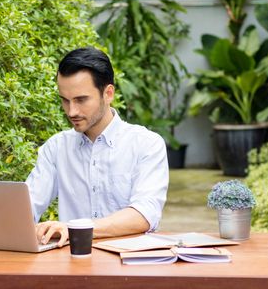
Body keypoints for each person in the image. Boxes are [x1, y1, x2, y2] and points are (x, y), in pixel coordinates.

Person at [25, 47, 169, 247]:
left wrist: (74, 228)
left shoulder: (146, 144)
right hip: (74, 263)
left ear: (108, 93)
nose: (72, 111)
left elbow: (144, 214)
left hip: (130, 266)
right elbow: (27, 207)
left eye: (81, 100)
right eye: (65, 101)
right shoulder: (56, 148)